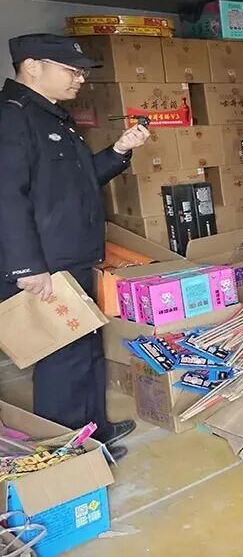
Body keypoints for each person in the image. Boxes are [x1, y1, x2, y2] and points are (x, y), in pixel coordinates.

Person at [0, 34, 151, 460]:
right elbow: (6, 196)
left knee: (86, 347)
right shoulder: (11, 118)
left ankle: (93, 428)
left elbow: (79, 182)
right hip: (44, 263)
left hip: (73, 256)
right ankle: (67, 450)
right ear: (32, 66)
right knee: (61, 359)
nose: (79, 78)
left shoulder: (54, 118)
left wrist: (120, 150)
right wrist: (27, 267)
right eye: (71, 69)